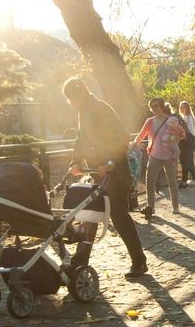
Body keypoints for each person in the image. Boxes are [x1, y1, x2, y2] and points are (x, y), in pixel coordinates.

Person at [62, 77, 148, 278]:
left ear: (78, 94)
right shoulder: (83, 111)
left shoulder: (100, 108)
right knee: (89, 214)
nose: (71, 103)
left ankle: (139, 261)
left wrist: (109, 162)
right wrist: (75, 161)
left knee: (118, 216)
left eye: (71, 98)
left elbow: (121, 137)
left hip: (115, 173)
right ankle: (81, 260)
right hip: (99, 173)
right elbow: (81, 138)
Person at [135, 97, 186, 219]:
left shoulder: (171, 120)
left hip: (170, 156)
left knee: (171, 181)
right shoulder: (150, 121)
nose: (154, 108)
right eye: (152, 106)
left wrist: (173, 139)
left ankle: (175, 206)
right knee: (150, 181)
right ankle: (150, 208)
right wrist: (135, 143)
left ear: (162, 106)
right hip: (154, 155)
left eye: (156, 105)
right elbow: (141, 135)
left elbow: (182, 134)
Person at [175, 101, 195, 189]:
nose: (182, 109)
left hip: (188, 140)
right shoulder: (187, 117)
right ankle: (194, 179)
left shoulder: (186, 117)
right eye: (181, 107)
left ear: (188, 108)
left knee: (185, 162)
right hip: (191, 140)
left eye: (184, 107)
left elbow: (185, 131)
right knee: (189, 161)